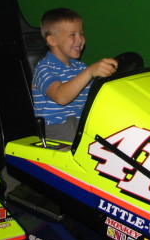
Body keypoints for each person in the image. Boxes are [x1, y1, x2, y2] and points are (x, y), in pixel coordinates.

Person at [32, 8, 118, 142]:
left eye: (81, 33)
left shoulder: (80, 67)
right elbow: (60, 97)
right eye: (72, 35)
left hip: (79, 124)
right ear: (52, 40)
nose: (80, 40)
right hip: (55, 128)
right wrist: (89, 72)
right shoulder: (44, 68)